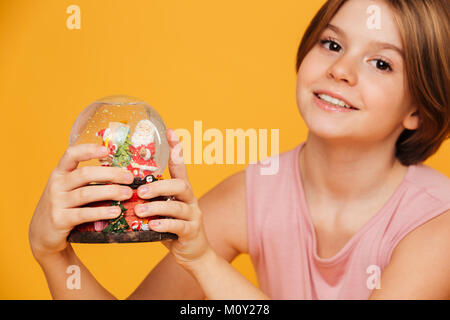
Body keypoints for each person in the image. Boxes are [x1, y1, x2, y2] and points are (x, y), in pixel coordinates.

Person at [29, 0, 450, 299]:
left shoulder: (438, 225)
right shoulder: (255, 192)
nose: (340, 70)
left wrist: (203, 261)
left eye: (381, 63)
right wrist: (53, 255)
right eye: (333, 44)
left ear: (417, 107)